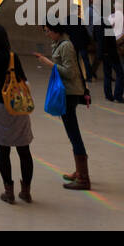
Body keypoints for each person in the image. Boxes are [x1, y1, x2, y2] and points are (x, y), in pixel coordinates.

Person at [0, 24, 33, 203]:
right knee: (24, 150)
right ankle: (26, 191)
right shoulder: (12, 56)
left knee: (3, 150)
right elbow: (23, 80)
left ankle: (8, 192)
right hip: (16, 105)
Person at [34, 20, 90, 190]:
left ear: (56, 30)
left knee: (74, 133)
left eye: (48, 31)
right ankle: (80, 172)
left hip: (70, 93)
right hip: (67, 93)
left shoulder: (65, 46)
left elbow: (70, 72)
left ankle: (83, 178)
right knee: (72, 133)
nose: (47, 34)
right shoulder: (59, 44)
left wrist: (49, 63)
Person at [101, 5, 124, 103]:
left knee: (107, 74)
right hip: (111, 53)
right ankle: (118, 95)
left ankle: (108, 95)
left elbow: (96, 38)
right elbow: (110, 40)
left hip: (103, 53)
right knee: (120, 74)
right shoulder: (106, 25)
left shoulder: (97, 24)